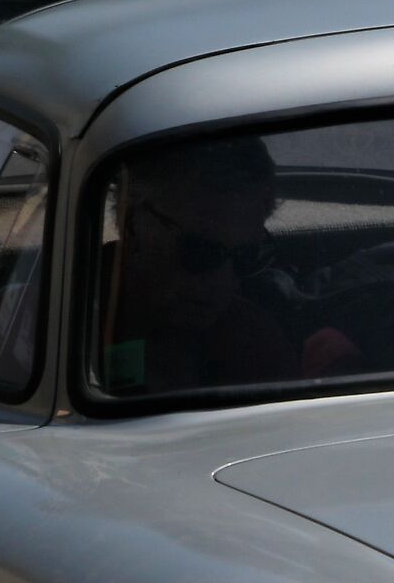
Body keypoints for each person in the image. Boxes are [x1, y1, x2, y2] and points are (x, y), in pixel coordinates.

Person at [100, 134, 308, 393]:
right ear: (134, 226)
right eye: (199, 251)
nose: (222, 280)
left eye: (246, 255)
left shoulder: (256, 347)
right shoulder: (61, 319)